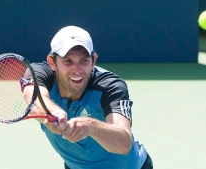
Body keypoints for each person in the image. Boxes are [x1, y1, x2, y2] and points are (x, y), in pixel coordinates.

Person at [21, 26, 153, 169]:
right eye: (68, 61)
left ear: (93, 60)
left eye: (84, 61)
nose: (77, 70)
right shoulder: (39, 73)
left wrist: (90, 126)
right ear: (52, 62)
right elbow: (33, 97)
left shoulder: (110, 86)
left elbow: (124, 142)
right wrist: (54, 112)